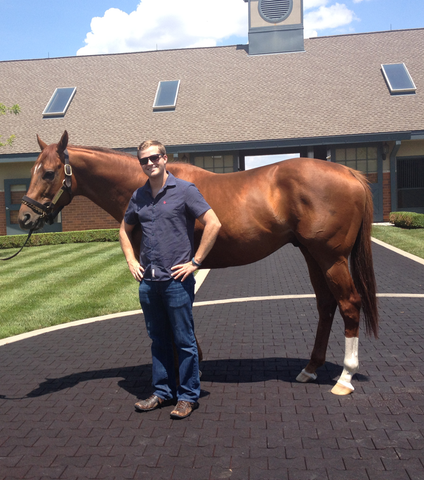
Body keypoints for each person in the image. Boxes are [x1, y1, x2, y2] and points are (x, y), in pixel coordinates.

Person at [119, 140, 221, 420]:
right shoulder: (139, 196)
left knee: (184, 340)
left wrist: (196, 262)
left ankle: (188, 396)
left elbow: (213, 223)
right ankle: (162, 392)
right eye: (144, 160)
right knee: (158, 339)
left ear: (164, 158)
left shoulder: (185, 190)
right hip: (149, 283)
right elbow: (124, 230)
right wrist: (131, 260)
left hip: (177, 281)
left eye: (154, 158)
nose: (149, 163)